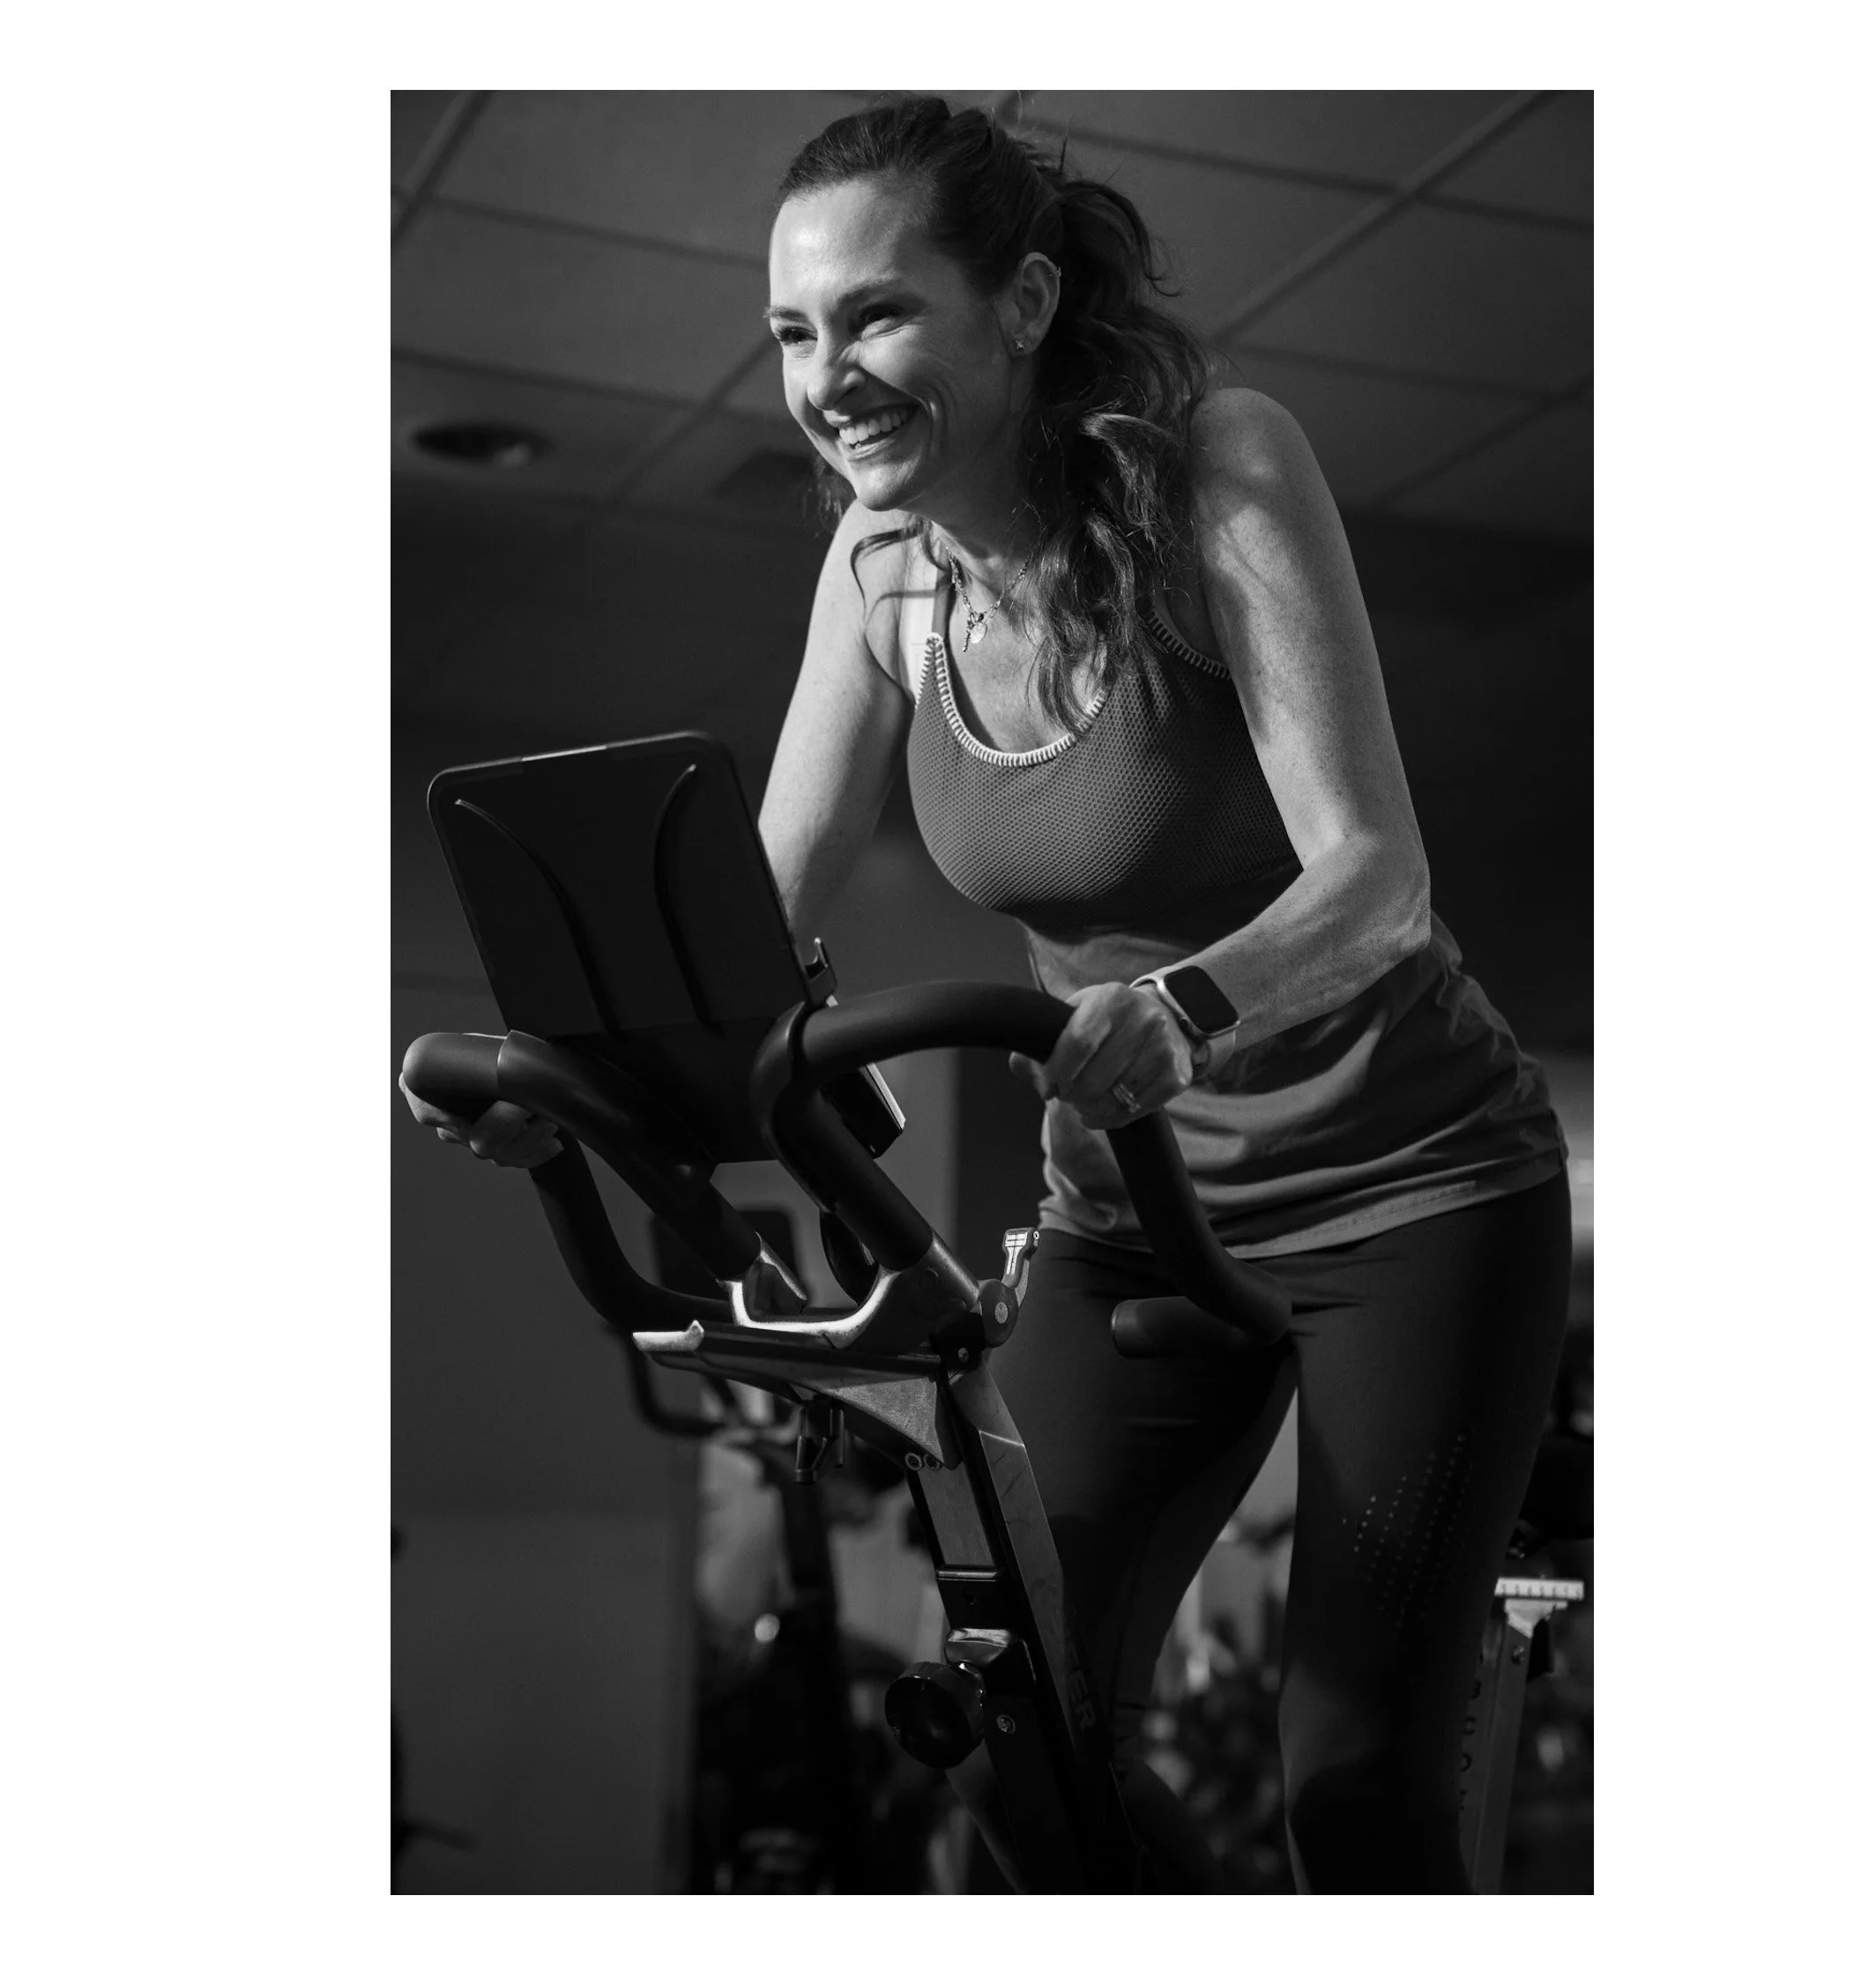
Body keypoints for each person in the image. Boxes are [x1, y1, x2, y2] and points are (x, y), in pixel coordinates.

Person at [402, 96, 1572, 1893]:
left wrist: (1185, 1007)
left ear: (1021, 306)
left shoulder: (1217, 469)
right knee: (1017, 1736)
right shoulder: (879, 575)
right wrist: (572, 1091)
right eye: (793, 331)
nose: (826, 377)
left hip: (1411, 1190)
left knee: (1352, 1782)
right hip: (1132, 1211)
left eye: (876, 314)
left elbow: (1376, 879)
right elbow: (750, 926)